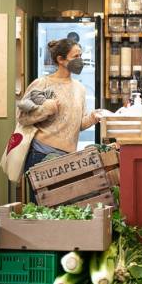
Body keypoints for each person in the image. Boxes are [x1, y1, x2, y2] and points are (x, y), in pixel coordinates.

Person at [17, 38, 100, 196]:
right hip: (42, 155)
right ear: (60, 60)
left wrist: (93, 117)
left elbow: (77, 124)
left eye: (81, 56)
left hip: (68, 158)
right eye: (76, 56)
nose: (80, 61)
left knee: (60, 212)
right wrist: (45, 110)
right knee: (43, 212)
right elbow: (22, 117)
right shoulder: (43, 84)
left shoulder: (80, 88)